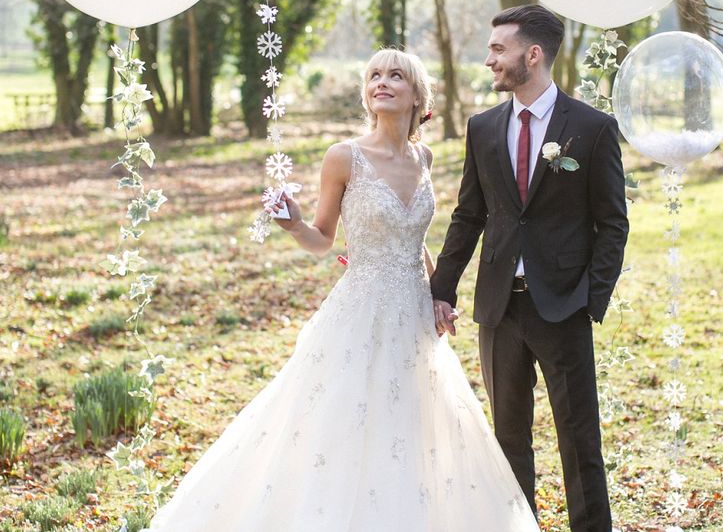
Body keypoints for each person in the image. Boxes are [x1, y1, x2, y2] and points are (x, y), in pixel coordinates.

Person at [145, 48, 539, 531]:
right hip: (361, 310)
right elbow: (322, 239)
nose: (383, 82)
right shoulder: (343, 157)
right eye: (374, 75)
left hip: (414, 314)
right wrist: (292, 225)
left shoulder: (424, 156)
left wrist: (439, 294)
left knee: (413, 425)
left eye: (396, 76)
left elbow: (414, 242)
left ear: (418, 94)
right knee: (344, 422)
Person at [430, 5, 629, 532]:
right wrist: (439, 289)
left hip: (563, 304)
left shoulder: (592, 128)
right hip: (498, 308)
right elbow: (469, 215)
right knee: (509, 440)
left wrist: (592, 296)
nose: (490, 59)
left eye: (499, 49)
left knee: (579, 438)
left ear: (532, 54)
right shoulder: (483, 127)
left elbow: (613, 223)